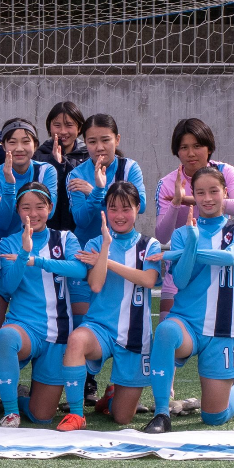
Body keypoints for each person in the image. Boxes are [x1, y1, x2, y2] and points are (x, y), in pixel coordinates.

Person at [142, 166, 234, 434]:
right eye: (200, 192)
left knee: (214, 418)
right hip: (188, 325)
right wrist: (187, 246)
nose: (207, 198)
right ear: (192, 195)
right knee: (167, 330)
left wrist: (176, 254)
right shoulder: (183, 233)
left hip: (222, 330)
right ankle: (161, 414)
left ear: (225, 193)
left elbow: (229, 258)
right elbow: (180, 281)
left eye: (214, 191)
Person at [154, 118, 234, 408]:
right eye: (184, 147)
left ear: (208, 147)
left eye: (197, 145)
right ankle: (166, 399)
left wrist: (191, 198)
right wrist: (176, 201)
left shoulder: (225, 172)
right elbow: (163, 233)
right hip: (185, 264)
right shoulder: (166, 183)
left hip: (224, 268)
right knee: (168, 328)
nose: (191, 152)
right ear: (177, 152)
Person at [62, 181, 162, 430]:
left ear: (138, 208)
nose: (119, 215)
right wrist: (106, 246)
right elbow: (95, 285)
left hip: (135, 333)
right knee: (76, 340)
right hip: (100, 328)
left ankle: (110, 397)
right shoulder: (96, 244)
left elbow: (148, 280)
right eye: (113, 208)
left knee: (122, 418)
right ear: (105, 210)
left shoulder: (149, 245)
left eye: (126, 208)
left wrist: (108, 263)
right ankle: (76, 415)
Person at [0, 183, 89, 427]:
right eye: (26, 207)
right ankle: (11, 411)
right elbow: (9, 285)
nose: (32, 214)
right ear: (17, 210)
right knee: (5, 337)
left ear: (51, 208)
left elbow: (79, 269)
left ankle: (24, 400)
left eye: (39, 207)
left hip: (58, 332)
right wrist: (24, 253)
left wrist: (38, 260)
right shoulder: (8, 243)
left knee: (42, 416)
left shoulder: (65, 238)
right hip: (25, 327)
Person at [66, 113, 147, 249]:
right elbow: (81, 221)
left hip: (122, 248)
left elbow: (141, 206)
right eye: (92, 142)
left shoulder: (129, 168)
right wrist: (97, 192)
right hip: (87, 249)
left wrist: (95, 192)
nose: (99, 147)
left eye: (105, 140)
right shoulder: (76, 175)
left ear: (117, 140)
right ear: (85, 142)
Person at [0, 119, 59, 238]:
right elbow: (2, 224)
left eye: (25, 142)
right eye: (12, 142)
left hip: (36, 239)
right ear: (3, 146)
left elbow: (49, 213)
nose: (19, 148)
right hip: (2, 242)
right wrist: (9, 183)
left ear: (35, 146)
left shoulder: (46, 171)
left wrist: (4, 201)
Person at [35, 101, 88, 232]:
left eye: (69, 125)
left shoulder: (88, 156)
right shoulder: (39, 156)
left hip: (80, 229)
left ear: (79, 128)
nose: (63, 131)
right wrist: (55, 164)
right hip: (48, 229)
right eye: (57, 125)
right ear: (49, 128)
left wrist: (63, 164)